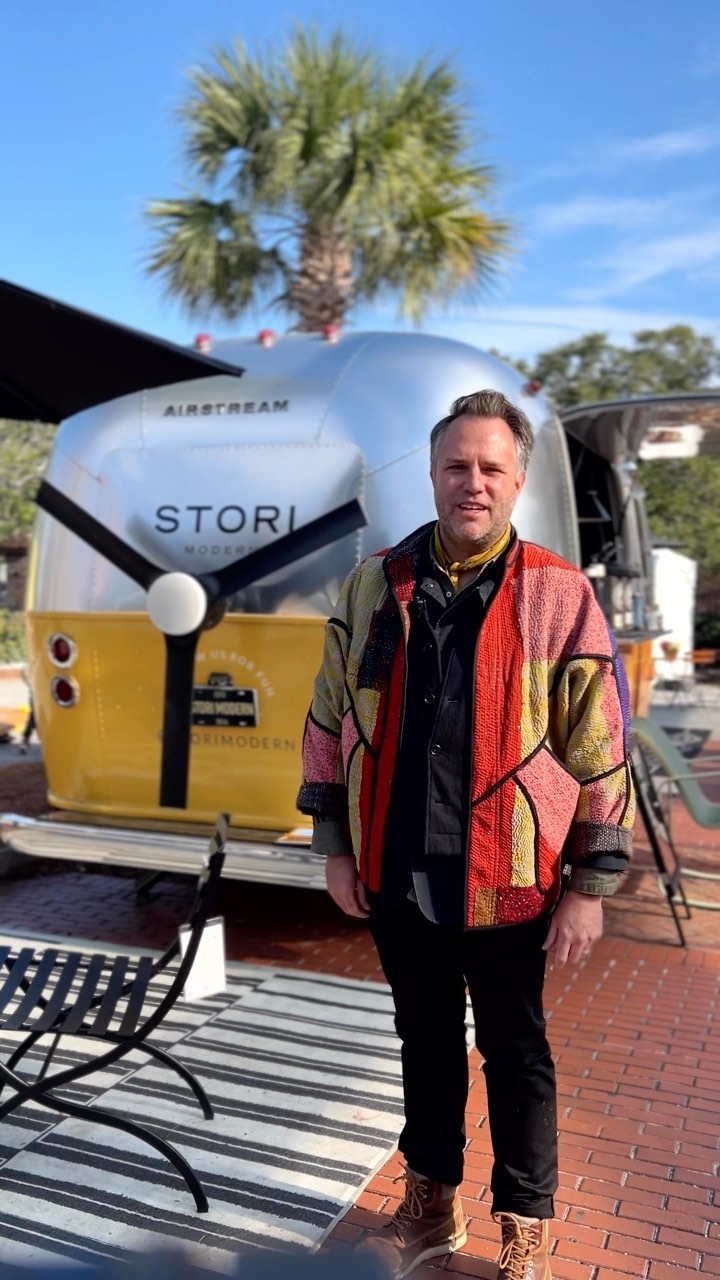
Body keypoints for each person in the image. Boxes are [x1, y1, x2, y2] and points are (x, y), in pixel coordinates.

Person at [298, 390, 635, 1280]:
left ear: (518, 480)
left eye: (491, 467)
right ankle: (431, 1203)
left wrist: (591, 884)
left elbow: (600, 743)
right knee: (425, 1040)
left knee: (516, 1051)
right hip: (396, 862)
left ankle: (525, 1225)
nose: (472, 482)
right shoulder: (375, 583)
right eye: (457, 465)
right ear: (433, 473)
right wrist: (336, 843)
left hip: (511, 872)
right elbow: (330, 713)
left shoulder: (558, 592)